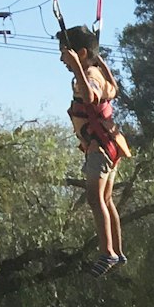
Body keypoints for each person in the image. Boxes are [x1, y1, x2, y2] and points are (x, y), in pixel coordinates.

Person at [60, 26, 130, 275]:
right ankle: (117, 251)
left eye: (66, 55)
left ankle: (107, 252)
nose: (62, 60)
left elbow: (89, 97)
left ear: (80, 53)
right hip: (110, 145)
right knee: (106, 199)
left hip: (99, 147)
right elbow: (115, 88)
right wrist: (99, 61)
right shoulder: (97, 72)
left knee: (94, 198)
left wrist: (79, 65)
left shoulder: (88, 75)